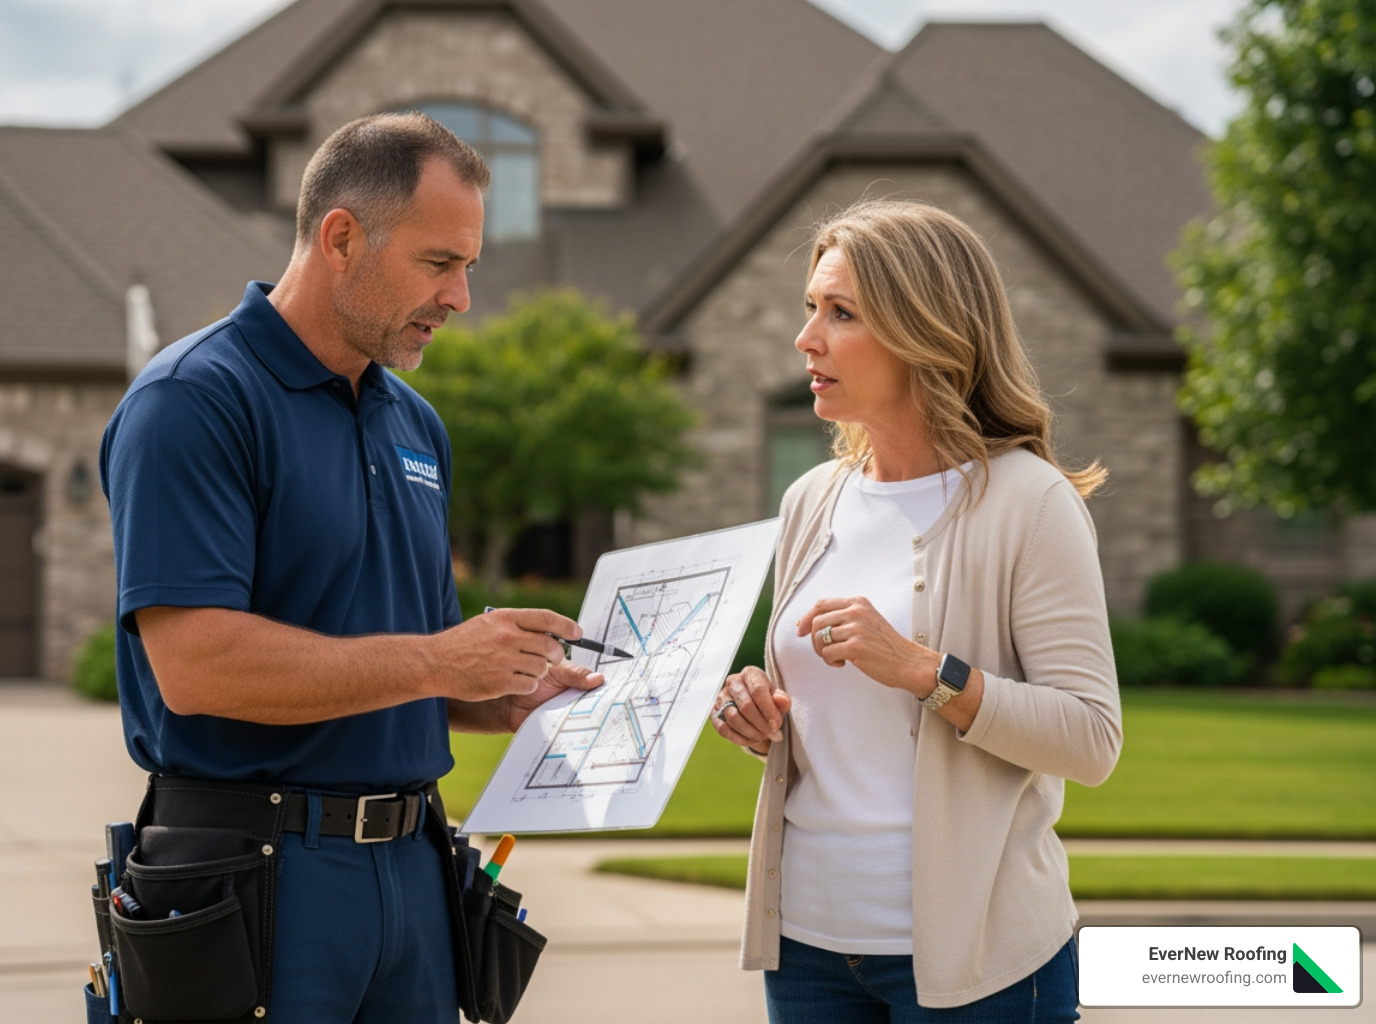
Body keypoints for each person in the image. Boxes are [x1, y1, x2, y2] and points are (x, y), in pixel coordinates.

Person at [98, 112, 602, 1024]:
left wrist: (498, 695)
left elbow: (411, 664)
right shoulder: (192, 403)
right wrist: (443, 662)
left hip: (414, 874)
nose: (461, 298)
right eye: (439, 263)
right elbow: (197, 667)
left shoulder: (416, 425)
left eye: (468, 269)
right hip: (255, 880)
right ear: (341, 237)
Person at [709, 198, 1122, 1022]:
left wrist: (924, 671)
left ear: (921, 330)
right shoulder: (811, 500)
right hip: (808, 951)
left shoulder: (1029, 502)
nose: (807, 339)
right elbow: (834, 730)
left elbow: (1090, 738)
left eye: (841, 313)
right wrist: (759, 712)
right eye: (809, 309)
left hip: (980, 966)